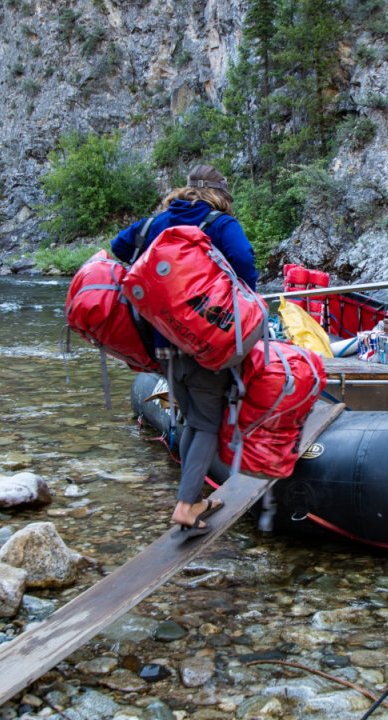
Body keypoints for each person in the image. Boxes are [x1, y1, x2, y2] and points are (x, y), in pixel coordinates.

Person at [111, 164, 258, 536]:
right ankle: (187, 505)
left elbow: (118, 247)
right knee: (207, 422)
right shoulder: (219, 225)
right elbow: (246, 268)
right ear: (220, 194)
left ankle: (189, 496)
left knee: (192, 417)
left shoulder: (154, 223)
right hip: (206, 341)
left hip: (162, 342)